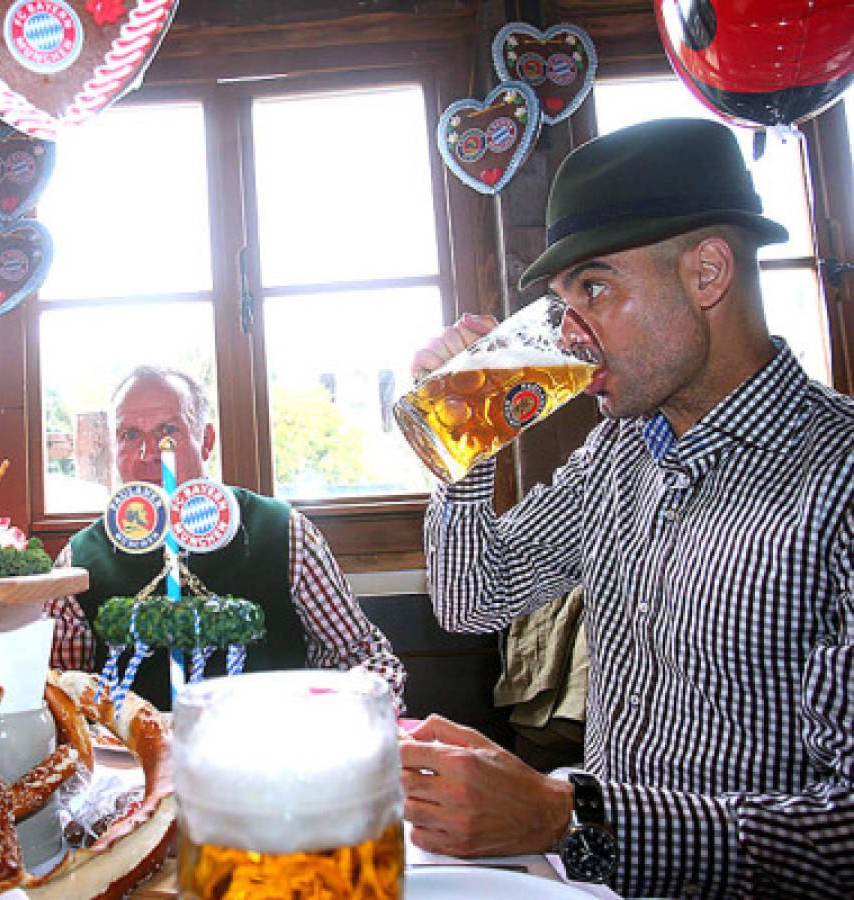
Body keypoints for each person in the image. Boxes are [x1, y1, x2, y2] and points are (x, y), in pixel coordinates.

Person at [399, 118, 853, 898]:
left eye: (594, 289)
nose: (571, 339)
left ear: (706, 273)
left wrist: (566, 816)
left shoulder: (839, 479)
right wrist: (461, 445)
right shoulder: (620, 452)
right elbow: (471, 599)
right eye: (560, 303)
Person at [46, 365, 407, 711]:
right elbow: (61, 690)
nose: (149, 454)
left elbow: (364, 659)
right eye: (130, 435)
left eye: (168, 432)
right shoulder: (77, 562)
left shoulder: (285, 532)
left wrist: (336, 717)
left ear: (206, 441)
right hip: (132, 767)